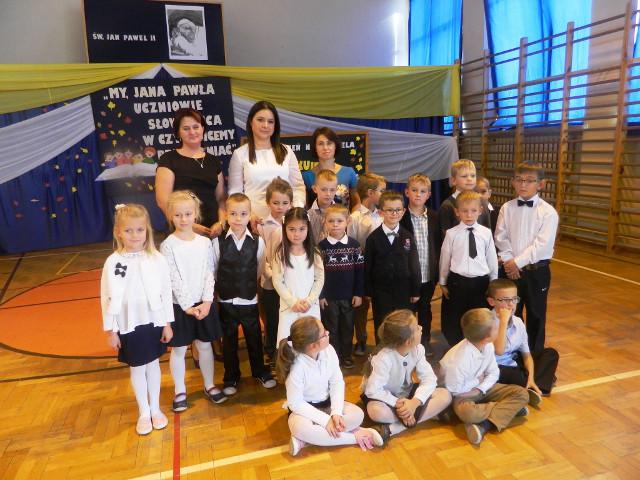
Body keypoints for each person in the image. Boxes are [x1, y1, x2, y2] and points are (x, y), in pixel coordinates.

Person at [100, 204, 174, 436]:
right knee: (137, 367)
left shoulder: (156, 259)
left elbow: (166, 292)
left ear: (147, 230)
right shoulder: (113, 262)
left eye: (139, 230)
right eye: (129, 230)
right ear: (118, 232)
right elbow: (107, 296)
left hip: (154, 321)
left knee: (153, 365)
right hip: (128, 324)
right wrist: (111, 330)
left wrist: (167, 323)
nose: (135, 235)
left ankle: (155, 408)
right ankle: (144, 411)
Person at [276, 316, 385, 456]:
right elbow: (296, 403)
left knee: (358, 415)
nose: (328, 333)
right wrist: (325, 420)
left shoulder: (329, 350)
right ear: (313, 345)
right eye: (324, 334)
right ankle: (355, 436)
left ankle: (305, 440)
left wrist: (336, 413)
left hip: (327, 404)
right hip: (305, 411)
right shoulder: (296, 366)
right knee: (299, 428)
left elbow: (337, 382)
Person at [159, 191, 226, 411]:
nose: (183, 219)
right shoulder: (168, 245)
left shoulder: (204, 243)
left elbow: (209, 272)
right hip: (181, 306)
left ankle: (209, 385)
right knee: (179, 349)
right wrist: (188, 306)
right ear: (171, 216)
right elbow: (173, 278)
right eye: (178, 215)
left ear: (195, 214)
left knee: (205, 346)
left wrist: (207, 301)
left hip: (203, 304)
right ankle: (180, 390)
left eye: (188, 214)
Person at [212, 193, 276, 396]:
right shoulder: (218, 242)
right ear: (226, 215)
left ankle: (260, 371)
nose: (238, 218)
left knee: (254, 337)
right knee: (229, 341)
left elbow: (259, 268)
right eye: (233, 214)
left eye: (243, 214)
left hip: (249, 299)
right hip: (226, 300)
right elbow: (214, 269)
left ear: (250, 215)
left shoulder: (258, 242)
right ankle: (231, 376)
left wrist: (247, 284)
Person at [494, 161, 559, 354]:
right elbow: (500, 237)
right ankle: (512, 354)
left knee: (536, 314)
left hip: (536, 271)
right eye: (519, 179)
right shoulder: (507, 208)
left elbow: (541, 245)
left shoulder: (548, 212)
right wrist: (509, 262)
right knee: (510, 313)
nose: (523, 184)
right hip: (510, 270)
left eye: (529, 180)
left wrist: (517, 262)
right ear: (513, 182)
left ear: (541, 184)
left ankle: (535, 356)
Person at [439, 308, 529, 445]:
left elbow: (494, 372)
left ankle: (484, 424)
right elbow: (454, 389)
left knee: (522, 394)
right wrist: (478, 382)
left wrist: (480, 388)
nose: (499, 330)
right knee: (469, 414)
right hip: (462, 395)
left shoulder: (488, 345)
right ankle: (507, 410)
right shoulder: (459, 360)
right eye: (496, 328)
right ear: (487, 337)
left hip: (479, 388)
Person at [361, 310, 451, 441]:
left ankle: (392, 429)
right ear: (408, 341)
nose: (421, 328)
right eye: (417, 328)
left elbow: (429, 379)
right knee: (376, 411)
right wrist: (400, 405)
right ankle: (427, 414)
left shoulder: (418, 349)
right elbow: (372, 390)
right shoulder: (383, 358)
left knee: (445, 395)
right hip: (386, 397)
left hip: (407, 395)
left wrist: (414, 403)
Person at [228, 100, 305, 222]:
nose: (265, 125)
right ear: (251, 122)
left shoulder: (287, 151)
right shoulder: (239, 154)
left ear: (275, 125)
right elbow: (235, 194)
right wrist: (249, 217)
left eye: (270, 121)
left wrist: (296, 212)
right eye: (260, 120)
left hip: (286, 223)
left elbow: (297, 187)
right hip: (253, 222)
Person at [439, 191, 498, 346]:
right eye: (464, 211)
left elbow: (491, 258)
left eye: (473, 210)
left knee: (479, 317)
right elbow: (445, 258)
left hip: (481, 283)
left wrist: (493, 282)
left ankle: (478, 345)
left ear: (480, 210)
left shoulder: (486, 233)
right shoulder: (451, 234)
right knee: (455, 316)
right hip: (458, 282)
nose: (469, 215)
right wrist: (443, 282)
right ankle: (456, 346)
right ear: (457, 212)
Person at [156, 108, 226, 238]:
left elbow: (221, 199)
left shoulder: (213, 161)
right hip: (182, 233)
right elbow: (163, 201)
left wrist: (221, 223)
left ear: (203, 129)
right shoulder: (168, 159)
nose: (192, 132)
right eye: (186, 128)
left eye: (196, 127)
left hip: (213, 233)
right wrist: (188, 225)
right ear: (178, 133)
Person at [364, 191, 421, 343]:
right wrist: (368, 291)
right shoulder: (373, 239)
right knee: (382, 323)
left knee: (404, 324)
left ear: (403, 211)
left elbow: (414, 265)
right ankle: (382, 350)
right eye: (390, 210)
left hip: (404, 291)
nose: (394, 213)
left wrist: (415, 290)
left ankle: (404, 350)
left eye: (398, 210)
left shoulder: (408, 236)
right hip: (381, 292)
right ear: (381, 212)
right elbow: (368, 266)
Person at [487, 278, 559, 398]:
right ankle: (540, 383)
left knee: (551, 354)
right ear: (491, 301)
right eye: (505, 300)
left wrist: (530, 377)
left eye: (514, 299)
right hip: (495, 367)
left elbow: (526, 355)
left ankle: (531, 384)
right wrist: (503, 322)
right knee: (516, 375)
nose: (511, 304)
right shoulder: (486, 320)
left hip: (513, 362)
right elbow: (499, 351)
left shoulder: (518, 322)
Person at [318, 205, 364, 368]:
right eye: (331, 221)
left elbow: (360, 271)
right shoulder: (321, 247)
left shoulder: (354, 245)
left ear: (347, 222)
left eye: (339, 221)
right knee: (331, 328)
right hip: (329, 298)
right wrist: (321, 295)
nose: (335, 224)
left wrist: (358, 293)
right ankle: (334, 356)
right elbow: (317, 275)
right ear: (324, 222)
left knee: (347, 327)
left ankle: (346, 355)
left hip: (349, 297)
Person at [399, 173, 440, 355]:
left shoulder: (434, 217)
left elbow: (438, 244)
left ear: (429, 195)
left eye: (423, 191)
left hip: (427, 273)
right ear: (407, 192)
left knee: (425, 308)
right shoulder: (401, 217)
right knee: (407, 311)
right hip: (408, 275)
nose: (418, 194)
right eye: (414, 190)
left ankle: (424, 340)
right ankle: (406, 341)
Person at [272, 207, 324, 345]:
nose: (297, 234)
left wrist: (310, 301)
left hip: (309, 306)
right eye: (292, 229)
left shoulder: (315, 252)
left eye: (302, 229)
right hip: (289, 307)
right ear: (285, 229)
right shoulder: (280, 254)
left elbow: (319, 279)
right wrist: (292, 302)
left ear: (308, 228)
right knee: (288, 344)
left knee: (311, 342)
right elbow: (277, 281)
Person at [348, 173, 386, 356]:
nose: (384, 194)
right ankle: (361, 339)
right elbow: (351, 244)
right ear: (370, 193)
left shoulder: (383, 215)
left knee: (381, 305)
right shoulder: (355, 217)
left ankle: (383, 340)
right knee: (361, 307)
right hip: (362, 269)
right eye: (382, 191)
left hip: (380, 269)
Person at [258, 177, 293, 362]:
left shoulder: (295, 225)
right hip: (271, 283)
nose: (280, 207)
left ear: (291, 203)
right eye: (276, 203)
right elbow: (262, 257)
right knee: (272, 319)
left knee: (288, 318)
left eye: (285, 203)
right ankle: (271, 351)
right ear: (268, 203)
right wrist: (273, 276)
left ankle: (288, 351)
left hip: (291, 282)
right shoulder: (262, 226)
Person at [302, 127, 359, 209]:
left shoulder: (349, 173)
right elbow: (305, 207)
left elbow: (357, 203)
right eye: (320, 144)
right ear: (315, 147)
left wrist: (353, 215)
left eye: (329, 143)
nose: (325, 147)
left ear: (335, 146)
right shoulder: (306, 176)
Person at [438, 159, 491, 240]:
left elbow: (488, 231)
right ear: (453, 180)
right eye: (464, 176)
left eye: (473, 175)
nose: (469, 179)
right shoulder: (447, 206)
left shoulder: (483, 202)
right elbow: (445, 237)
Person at [308, 169, 337, 244]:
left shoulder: (341, 214)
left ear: (336, 190)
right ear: (315, 189)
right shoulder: (308, 215)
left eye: (332, 190)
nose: (328, 194)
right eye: (324, 189)